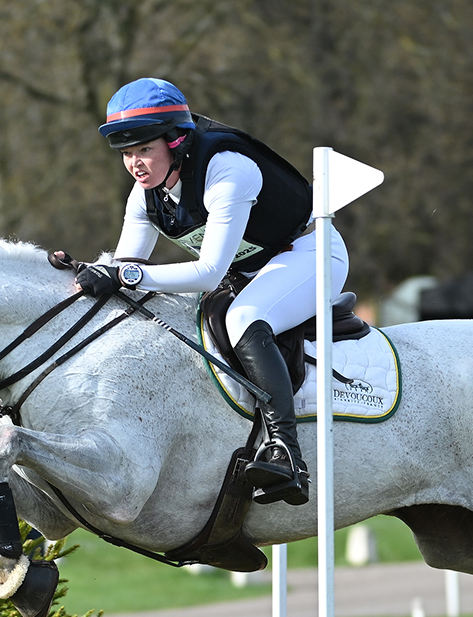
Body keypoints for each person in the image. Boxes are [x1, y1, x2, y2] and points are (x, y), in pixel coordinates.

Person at [67, 78, 332, 506]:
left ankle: (286, 452)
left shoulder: (228, 169)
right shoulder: (145, 195)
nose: (135, 163)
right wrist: (90, 274)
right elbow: (125, 267)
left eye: (144, 149)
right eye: (127, 153)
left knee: (245, 318)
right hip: (249, 272)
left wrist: (125, 278)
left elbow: (208, 273)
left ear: (175, 142)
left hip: (307, 254)